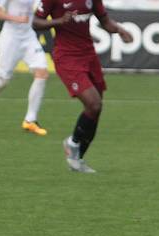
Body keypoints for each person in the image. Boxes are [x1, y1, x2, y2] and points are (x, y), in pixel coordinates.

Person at [33, 0, 132, 173]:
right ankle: (72, 143)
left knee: (96, 109)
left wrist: (120, 30)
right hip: (67, 57)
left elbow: (105, 20)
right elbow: (35, 22)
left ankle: (77, 159)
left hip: (89, 55)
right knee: (94, 104)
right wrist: (58, 21)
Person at [0, 0, 50, 137]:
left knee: (42, 73)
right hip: (11, 38)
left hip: (29, 37)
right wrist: (17, 18)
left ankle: (30, 120)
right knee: (2, 80)